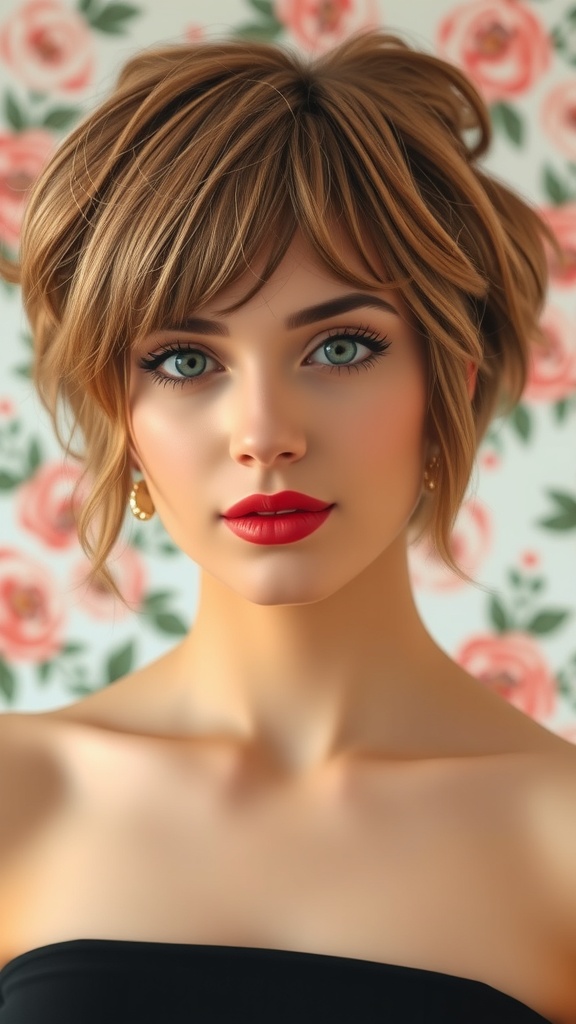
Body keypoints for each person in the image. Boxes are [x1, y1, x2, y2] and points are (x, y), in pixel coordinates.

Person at [0, 28, 574, 1024]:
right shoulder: (19, 795)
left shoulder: (559, 838)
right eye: (186, 360)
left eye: (341, 346)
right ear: (118, 413)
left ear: (450, 381)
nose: (265, 434)